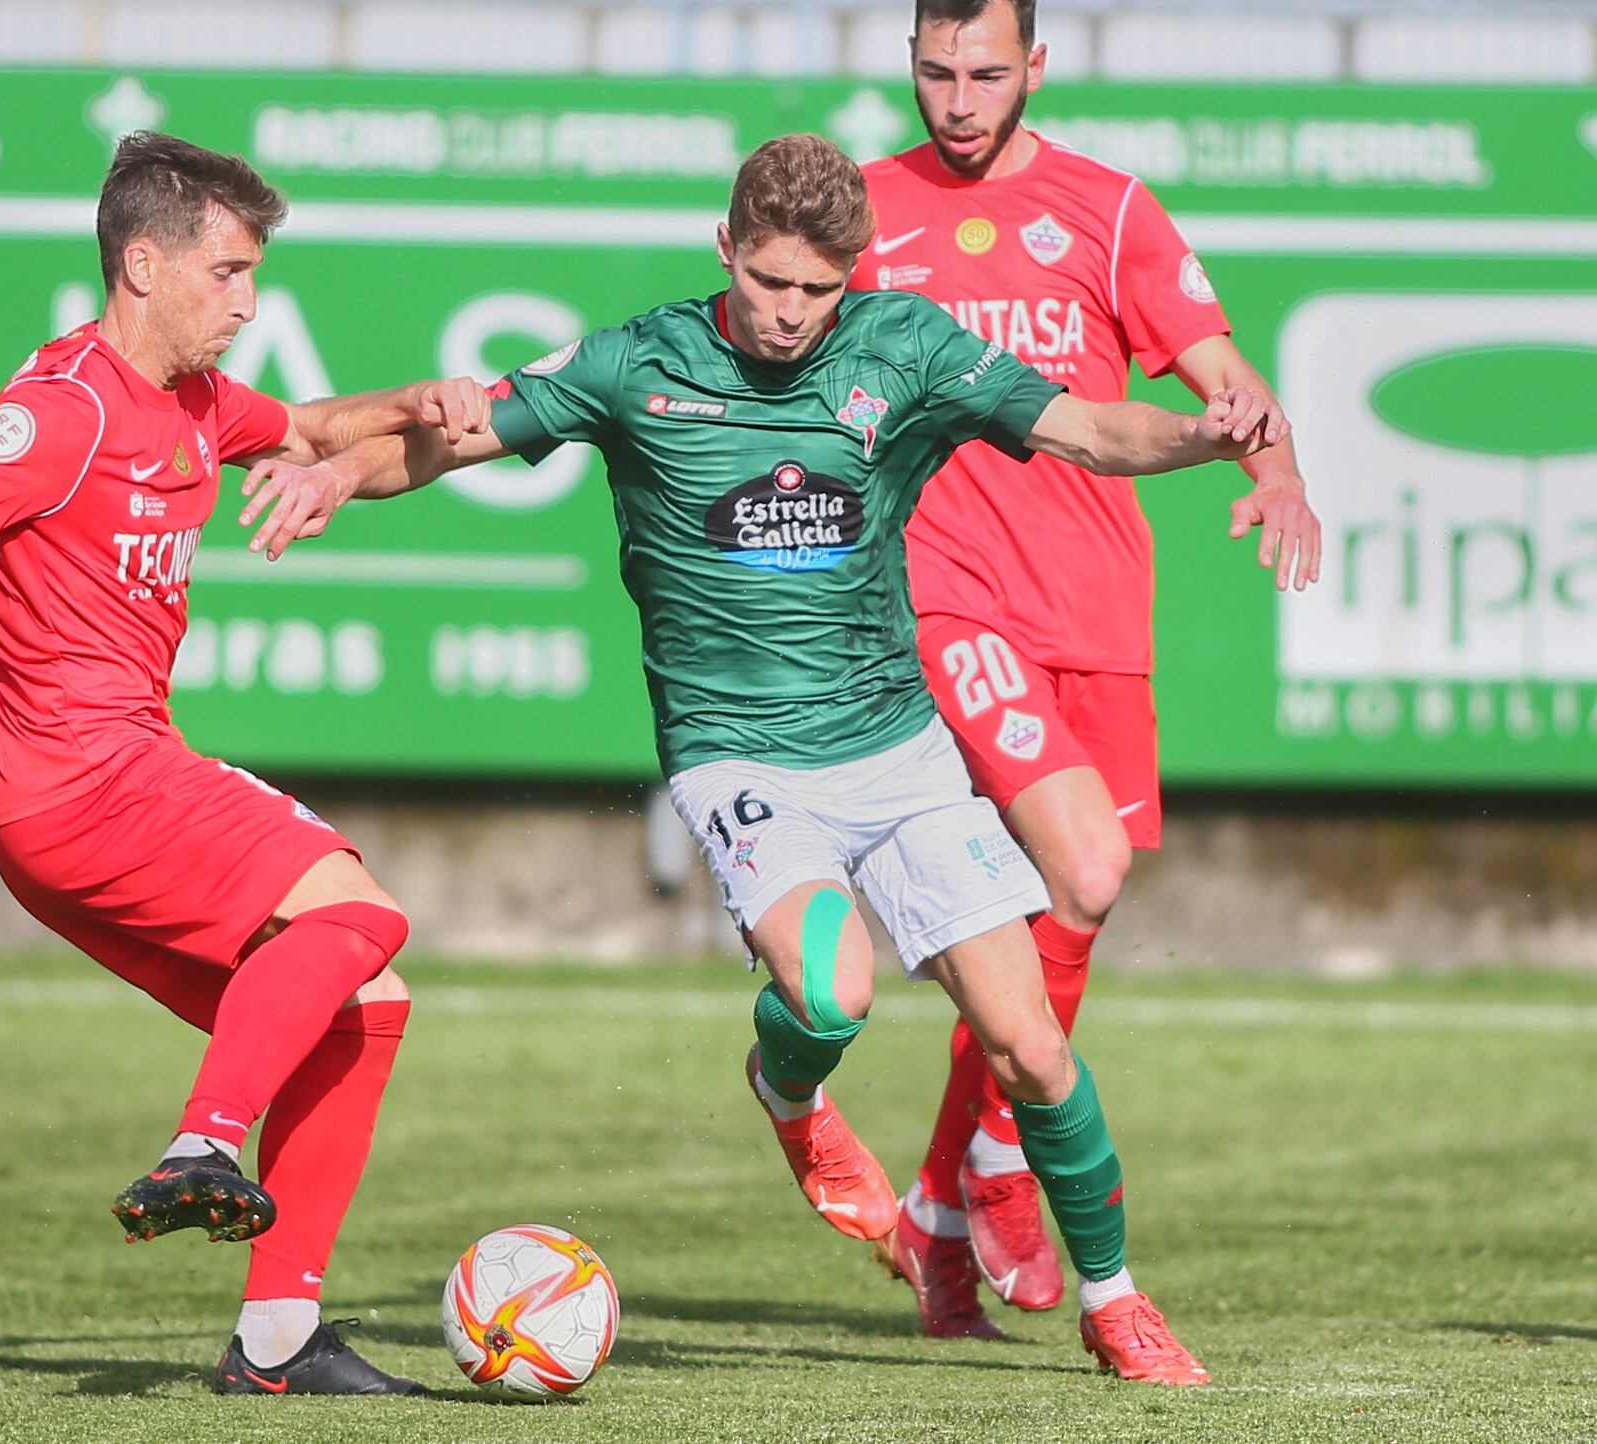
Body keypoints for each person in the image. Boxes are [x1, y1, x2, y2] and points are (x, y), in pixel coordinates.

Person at [240, 134, 1283, 1385]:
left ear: (854, 273)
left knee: (1033, 1047)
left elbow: (1091, 433)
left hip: (895, 746)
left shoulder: (903, 347)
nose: (790, 315)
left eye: (817, 290)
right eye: (769, 282)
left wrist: (1210, 435)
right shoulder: (639, 360)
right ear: (723, 248)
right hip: (740, 756)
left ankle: (1115, 1302)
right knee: (832, 995)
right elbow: (450, 440)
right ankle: (789, 1095)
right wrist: (342, 475)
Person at [0, 131, 495, 1398]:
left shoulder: (190, 402)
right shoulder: (67, 408)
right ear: (144, 264)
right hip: (89, 781)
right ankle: (204, 1142)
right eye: (229, 272)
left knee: (362, 1006)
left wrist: (418, 404)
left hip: (65, 818)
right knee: (359, 907)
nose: (248, 302)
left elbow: (307, 429)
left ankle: (276, 1345)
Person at [850, 0, 1324, 1340]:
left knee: (1064, 915)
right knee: (1085, 871)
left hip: (1098, 613)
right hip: (946, 601)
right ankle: (1000, 1166)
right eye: (936, 70)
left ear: (1036, 68)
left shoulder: (1110, 211)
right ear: (911, 67)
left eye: (986, 71)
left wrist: (1276, 470)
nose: (957, 96)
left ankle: (946, 1207)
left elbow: (1226, 378)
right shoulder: (865, 212)